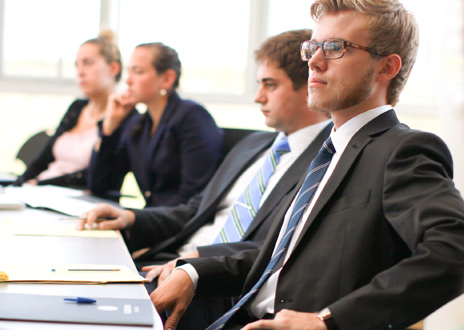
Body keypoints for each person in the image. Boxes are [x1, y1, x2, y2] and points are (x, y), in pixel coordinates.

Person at [150, 1, 464, 330]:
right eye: (313, 47)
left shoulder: (403, 150)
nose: (314, 61)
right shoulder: (327, 153)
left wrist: (326, 322)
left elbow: (453, 250)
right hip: (234, 314)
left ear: (386, 68)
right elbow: (284, 256)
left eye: (335, 47)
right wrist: (195, 272)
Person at [78, 29, 332, 327]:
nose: (257, 96)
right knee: (79, 281)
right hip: (170, 262)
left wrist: (196, 266)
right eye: (259, 83)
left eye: (270, 85)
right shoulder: (253, 146)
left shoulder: (327, 160)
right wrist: (131, 217)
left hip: (218, 288)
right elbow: (194, 210)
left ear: (308, 88)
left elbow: (280, 248)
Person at [88, 42, 223, 207]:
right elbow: (100, 186)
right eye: (128, 71)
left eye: (138, 72)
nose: (128, 80)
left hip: (180, 228)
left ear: (167, 79)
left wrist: (135, 220)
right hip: (152, 222)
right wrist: (109, 127)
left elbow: (192, 199)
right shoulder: (138, 124)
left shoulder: (192, 117)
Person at [14, 31, 133, 189]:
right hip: (39, 192)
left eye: (88, 63)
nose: (80, 72)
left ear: (113, 68)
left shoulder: (126, 116)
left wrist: (39, 184)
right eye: (78, 65)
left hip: (73, 199)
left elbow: (103, 178)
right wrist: (16, 186)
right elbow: (43, 159)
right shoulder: (77, 107)